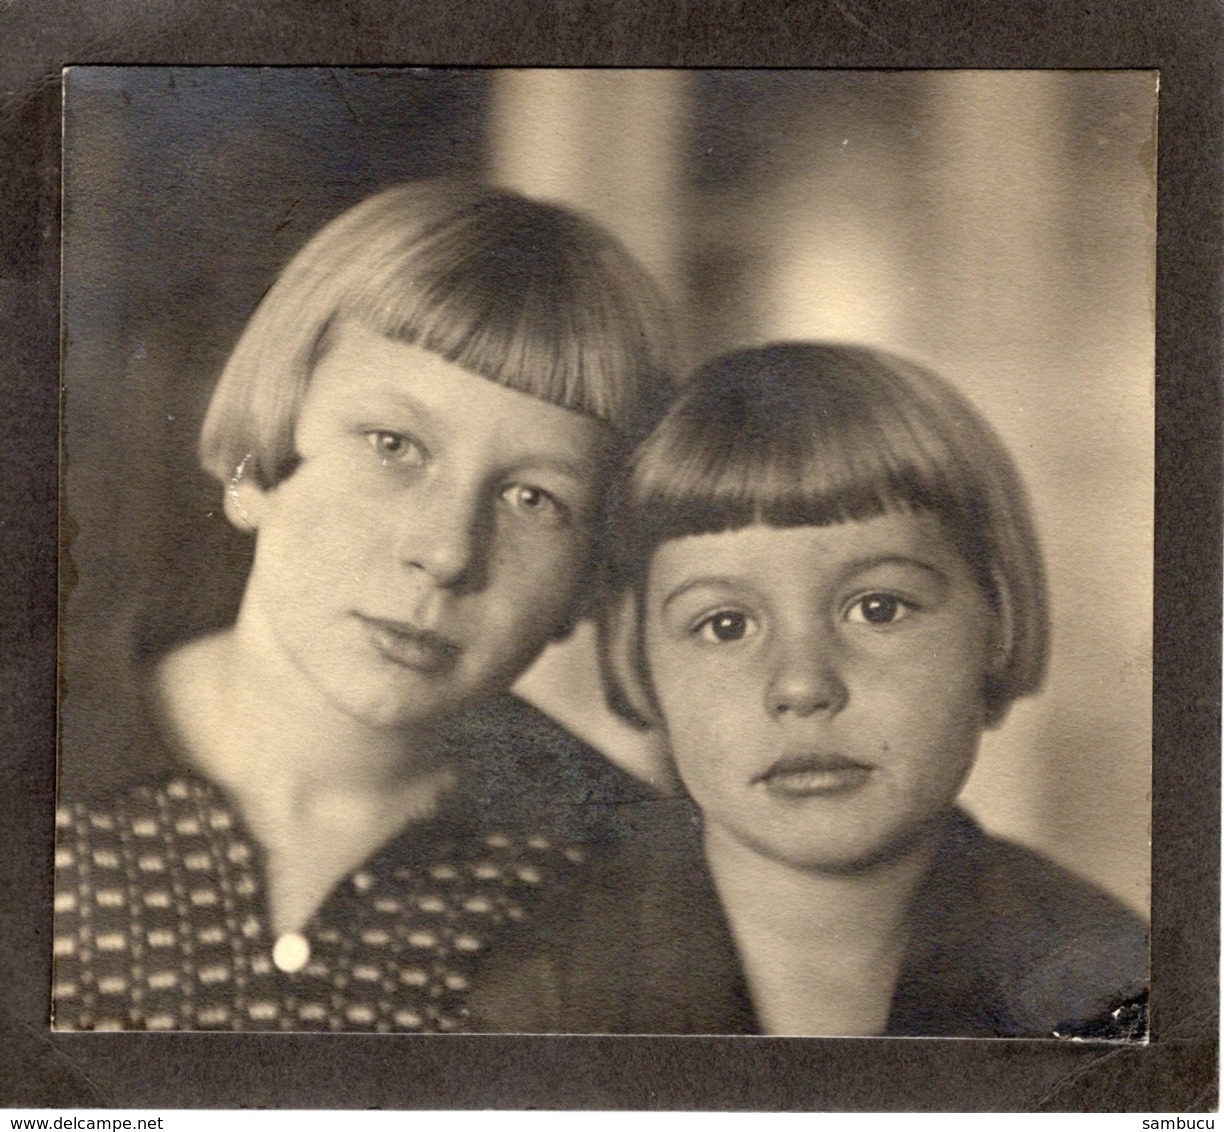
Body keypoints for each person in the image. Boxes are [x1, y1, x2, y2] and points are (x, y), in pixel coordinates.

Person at [52, 180, 674, 1032]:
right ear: (255, 464)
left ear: (586, 583)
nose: (449, 552)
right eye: (394, 447)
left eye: (534, 499)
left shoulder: (629, 880)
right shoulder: (44, 763)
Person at [467, 342, 1149, 1037]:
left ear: (998, 623)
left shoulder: (1110, 984)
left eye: (878, 608)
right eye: (724, 624)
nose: (802, 685)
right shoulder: (530, 989)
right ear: (635, 659)